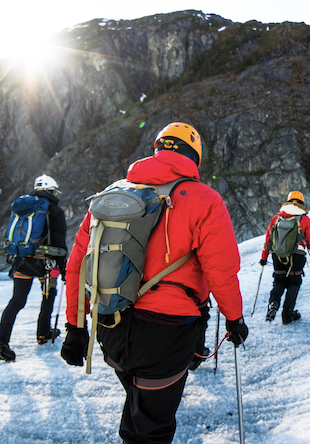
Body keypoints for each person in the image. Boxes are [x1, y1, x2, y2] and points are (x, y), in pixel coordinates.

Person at [59, 122, 248, 444]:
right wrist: (235, 318)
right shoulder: (204, 199)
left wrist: (76, 328)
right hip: (167, 331)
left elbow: (78, 264)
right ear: (194, 156)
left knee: (138, 408)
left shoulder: (112, 195)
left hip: (111, 321)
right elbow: (221, 270)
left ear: (158, 149)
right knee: (150, 428)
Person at [0, 175, 67, 362]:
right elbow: (59, 241)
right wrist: (63, 268)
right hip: (46, 264)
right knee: (48, 297)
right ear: (52, 190)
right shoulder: (55, 210)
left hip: (22, 260)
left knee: (17, 301)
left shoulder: (22, 207)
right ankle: (43, 334)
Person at [260, 191, 310, 324]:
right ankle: (287, 315)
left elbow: (268, 239)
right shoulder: (304, 219)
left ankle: (273, 304)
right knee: (294, 282)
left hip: (278, 254)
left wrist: (264, 257)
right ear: (301, 203)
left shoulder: (277, 218)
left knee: (279, 281)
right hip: (297, 255)